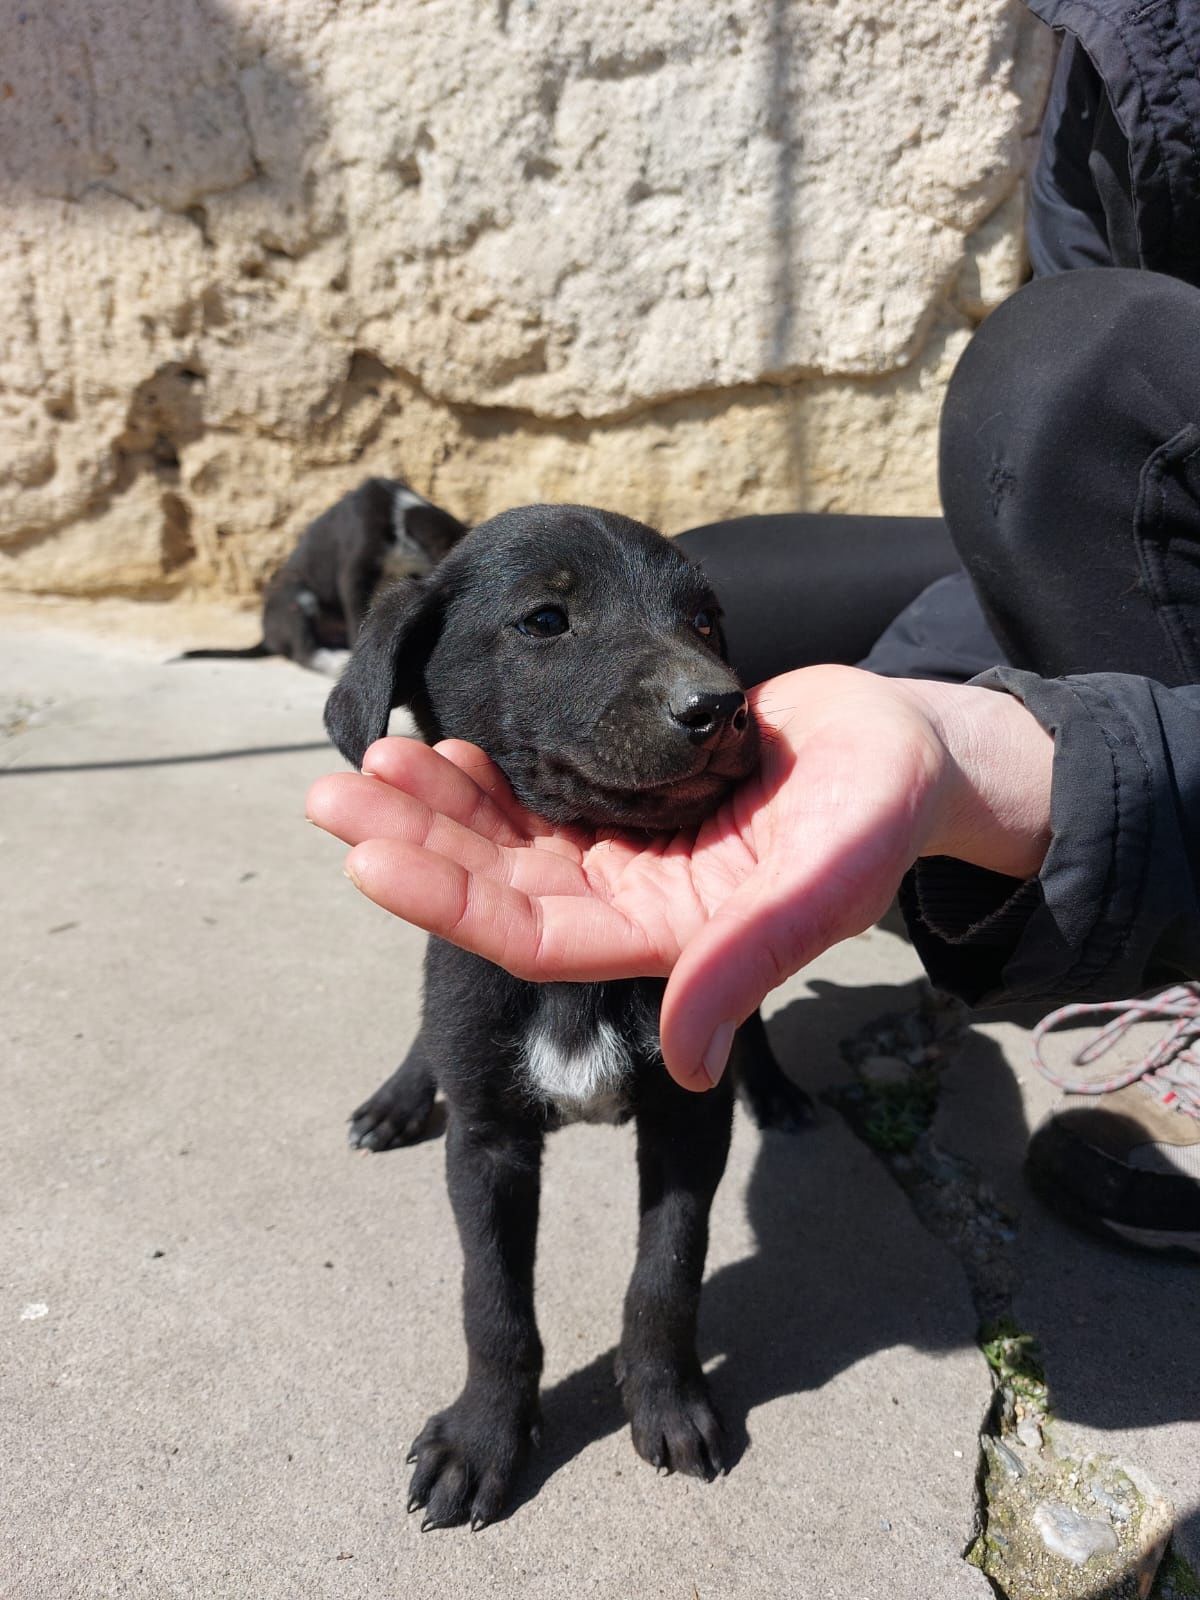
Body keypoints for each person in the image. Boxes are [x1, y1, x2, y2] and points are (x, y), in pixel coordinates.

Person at [307, 0, 1200, 1257]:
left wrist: (991, 759)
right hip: (1115, 514)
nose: (703, 680)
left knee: (1057, 368)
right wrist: (953, 682)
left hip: (1143, 499)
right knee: (700, 575)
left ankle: (1130, 934)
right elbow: (1055, 477)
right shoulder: (1104, 46)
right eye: (552, 619)